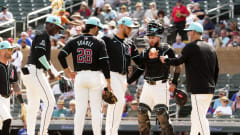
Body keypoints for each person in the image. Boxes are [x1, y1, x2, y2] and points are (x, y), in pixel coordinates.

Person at [160, 22, 219, 135]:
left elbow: (178, 61)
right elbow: (216, 70)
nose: (188, 34)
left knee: (200, 117)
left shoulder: (191, 47)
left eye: (189, 32)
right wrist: (212, 87)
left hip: (199, 89)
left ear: (192, 32)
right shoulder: (211, 48)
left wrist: (166, 60)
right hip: (209, 89)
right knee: (195, 116)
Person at [58, 17, 112, 135]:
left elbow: (61, 55)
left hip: (80, 76)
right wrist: (108, 81)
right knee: (96, 110)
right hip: (95, 76)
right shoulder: (99, 42)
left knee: (80, 110)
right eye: (98, 28)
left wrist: (68, 71)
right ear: (94, 27)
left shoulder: (74, 40)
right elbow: (104, 63)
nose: (99, 30)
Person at [128, 20, 180, 135]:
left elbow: (177, 66)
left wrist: (174, 83)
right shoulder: (145, 52)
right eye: (149, 37)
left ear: (159, 37)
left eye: (153, 37)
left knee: (162, 117)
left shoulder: (167, 50)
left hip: (161, 86)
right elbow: (140, 69)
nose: (151, 39)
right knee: (141, 113)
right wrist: (129, 81)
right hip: (147, 86)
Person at [21, 16, 64, 135]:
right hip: (35, 72)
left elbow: (47, 60)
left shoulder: (44, 36)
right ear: (50, 24)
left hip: (30, 72)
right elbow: (40, 54)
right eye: (57, 27)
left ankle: (30, 133)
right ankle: (43, 132)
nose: (58, 31)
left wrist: (57, 74)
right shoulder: (42, 33)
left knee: (33, 107)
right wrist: (49, 71)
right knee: (50, 102)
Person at [102, 17, 141, 135]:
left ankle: (112, 132)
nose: (130, 30)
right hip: (111, 75)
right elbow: (99, 57)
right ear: (121, 26)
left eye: (131, 28)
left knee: (119, 106)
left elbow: (140, 62)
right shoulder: (107, 39)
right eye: (128, 27)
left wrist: (130, 80)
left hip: (123, 78)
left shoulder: (130, 42)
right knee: (116, 104)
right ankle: (111, 133)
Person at [0, 41, 25, 135]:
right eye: (9, 49)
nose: (12, 51)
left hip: (7, 99)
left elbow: (15, 85)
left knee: (3, 126)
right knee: (8, 120)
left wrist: (22, 103)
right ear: (2, 51)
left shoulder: (12, 67)